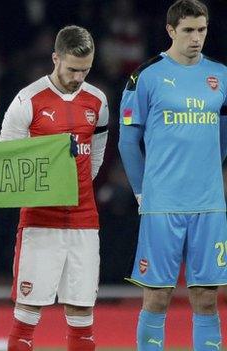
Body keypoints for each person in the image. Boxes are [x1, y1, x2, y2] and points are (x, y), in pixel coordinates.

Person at [118, 0, 227, 349]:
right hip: (162, 204)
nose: (196, 38)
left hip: (209, 205)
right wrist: (140, 192)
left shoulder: (221, 76)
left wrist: (207, 171)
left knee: (207, 299)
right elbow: (127, 141)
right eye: (188, 31)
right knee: (157, 297)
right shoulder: (145, 76)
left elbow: (224, 135)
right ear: (170, 30)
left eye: (202, 30)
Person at [1, 25, 108, 351]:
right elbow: (7, 160)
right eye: (73, 69)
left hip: (84, 221)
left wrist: (72, 185)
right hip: (39, 221)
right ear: (55, 58)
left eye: (85, 69)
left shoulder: (98, 101)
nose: (79, 76)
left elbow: (96, 159)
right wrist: (52, 175)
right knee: (27, 315)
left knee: (82, 314)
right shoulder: (27, 100)